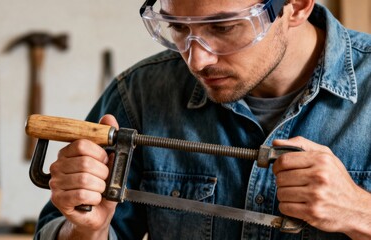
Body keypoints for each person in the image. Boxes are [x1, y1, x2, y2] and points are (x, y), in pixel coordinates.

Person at [34, 0, 371, 239]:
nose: (197, 60)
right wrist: (86, 230)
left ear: (296, 6)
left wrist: (359, 211)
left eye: (223, 27)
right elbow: (74, 227)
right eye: (180, 28)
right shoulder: (137, 95)